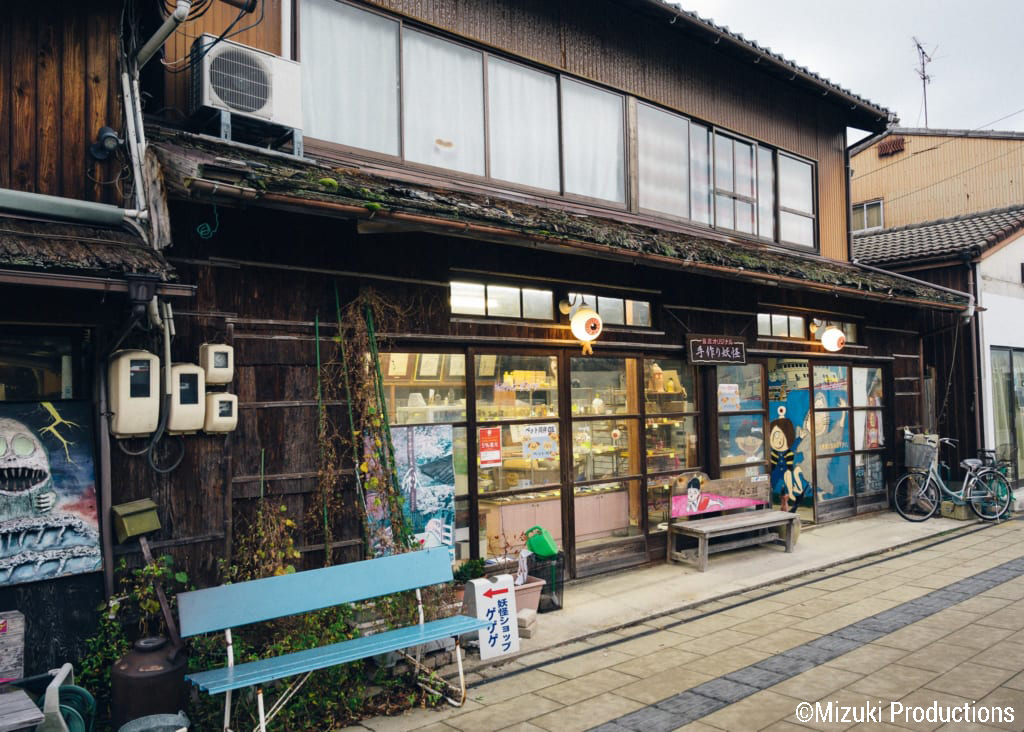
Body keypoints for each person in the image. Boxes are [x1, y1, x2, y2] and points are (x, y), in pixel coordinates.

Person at [768, 407, 811, 512]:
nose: (777, 440)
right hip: (776, 470)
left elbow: (794, 446)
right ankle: (769, 497)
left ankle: (791, 493)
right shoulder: (772, 451)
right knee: (771, 484)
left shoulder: (789, 450)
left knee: (788, 474)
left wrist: (800, 437)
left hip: (786, 469)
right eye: (774, 436)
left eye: (780, 436)